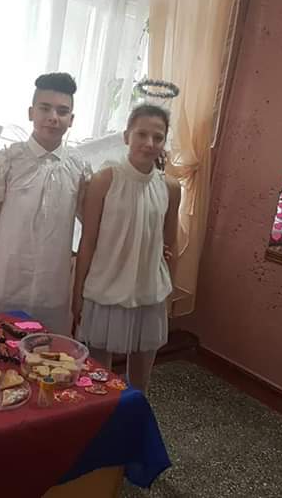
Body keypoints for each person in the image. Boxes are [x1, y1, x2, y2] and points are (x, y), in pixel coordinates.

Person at [0, 73, 91, 335]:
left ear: (71, 119)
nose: (53, 117)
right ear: (31, 112)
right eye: (45, 108)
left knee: (50, 355)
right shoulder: (4, 162)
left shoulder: (79, 168)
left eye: (62, 111)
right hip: (5, 288)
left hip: (54, 293)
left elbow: (94, 224)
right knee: (1, 351)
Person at [72, 104, 181, 392]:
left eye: (158, 137)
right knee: (98, 379)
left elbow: (171, 243)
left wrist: (170, 292)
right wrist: (77, 293)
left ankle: (134, 416)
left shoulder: (170, 187)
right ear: (126, 136)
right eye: (141, 134)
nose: (149, 143)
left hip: (149, 290)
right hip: (106, 288)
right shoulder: (104, 180)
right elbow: (88, 240)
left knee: (140, 383)